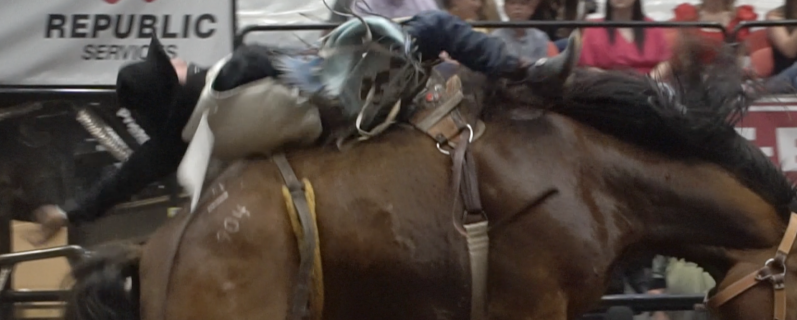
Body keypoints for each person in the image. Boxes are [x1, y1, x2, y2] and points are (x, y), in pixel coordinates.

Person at [29, 12, 577, 245]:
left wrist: (73, 211)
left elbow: (130, 174)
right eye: (167, 66)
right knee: (433, 26)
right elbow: (309, 68)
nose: (175, 61)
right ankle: (525, 72)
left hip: (322, 112)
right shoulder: (229, 75)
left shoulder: (179, 140)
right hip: (344, 91)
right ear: (172, 83)